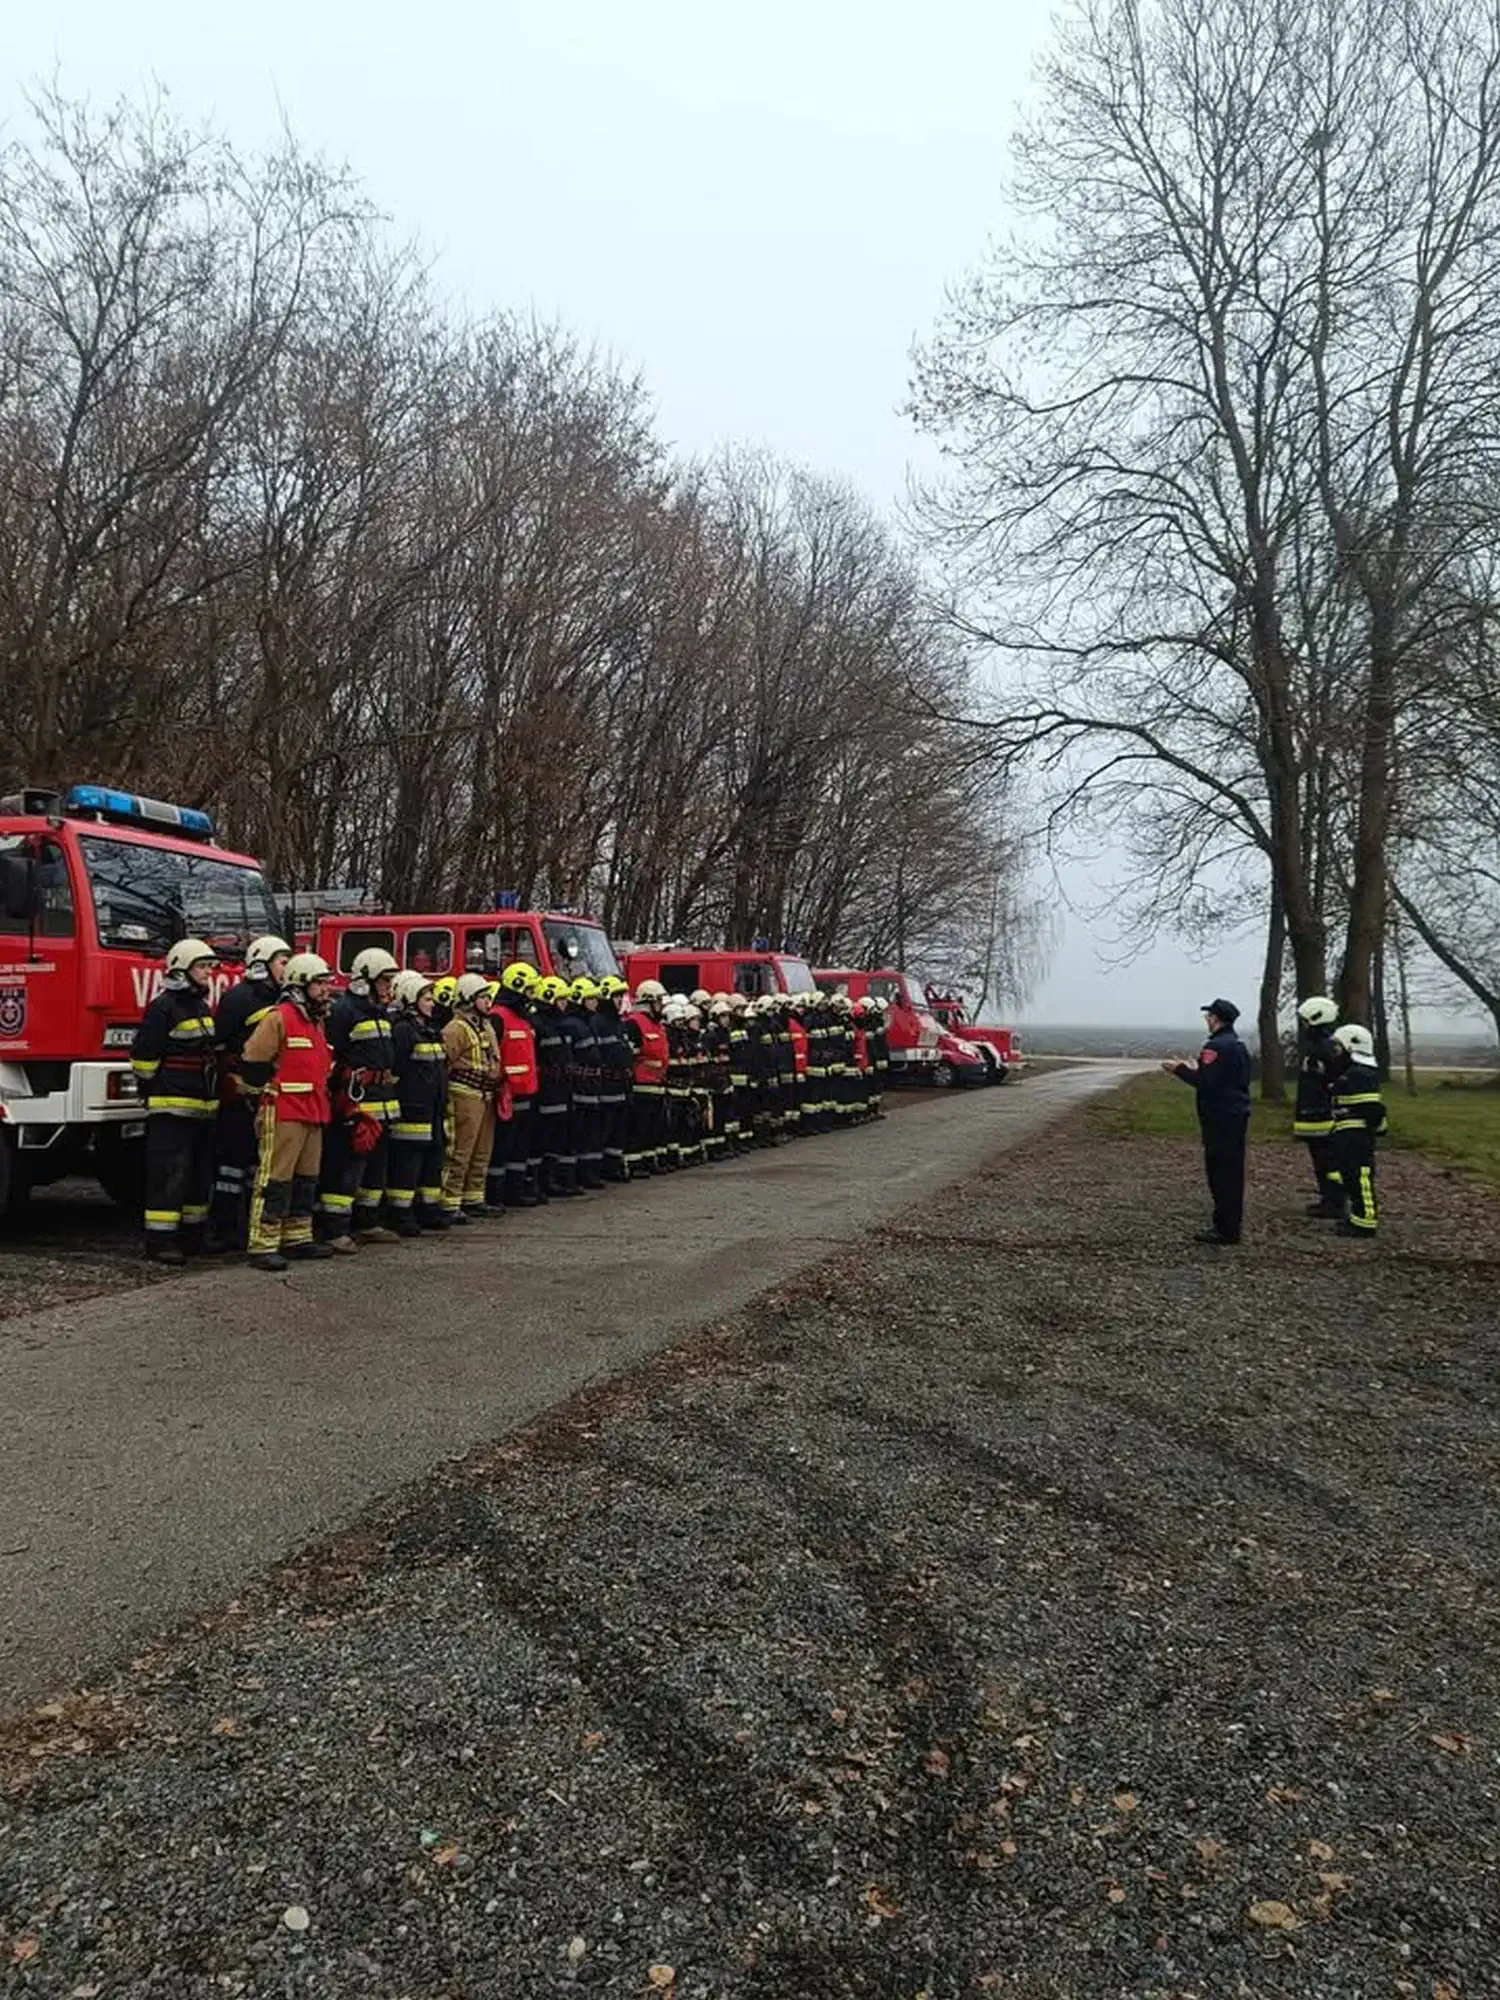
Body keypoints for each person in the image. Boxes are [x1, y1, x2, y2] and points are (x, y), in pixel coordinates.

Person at [238, 951, 337, 1270]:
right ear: (300, 984)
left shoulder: (317, 1021)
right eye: (319, 983)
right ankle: (263, 1242)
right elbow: (253, 1060)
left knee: (307, 1177)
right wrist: (260, 1098)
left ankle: (297, 1237)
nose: (326, 989)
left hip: (312, 1110)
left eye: (326, 983)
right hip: (283, 1109)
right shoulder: (279, 1017)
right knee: (275, 1177)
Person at [130, 938, 220, 1264]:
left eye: (209, 967)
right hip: (171, 1106)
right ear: (182, 969)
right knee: (169, 1174)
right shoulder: (163, 1007)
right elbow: (143, 1058)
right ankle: (160, 1241)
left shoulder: (200, 1006)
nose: (208, 973)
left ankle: (193, 1237)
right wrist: (158, 1088)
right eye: (202, 967)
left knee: (199, 1174)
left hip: (201, 1105)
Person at [210, 933, 292, 1250]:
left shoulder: (282, 1000)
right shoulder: (238, 999)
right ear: (262, 965)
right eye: (283, 962)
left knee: (261, 1166)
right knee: (232, 1166)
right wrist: (232, 1081)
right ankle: (225, 1229)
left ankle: (251, 1225)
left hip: (270, 1094)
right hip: (239, 1097)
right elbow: (220, 1047)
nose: (287, 968)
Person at [319, 946, 402, 1250]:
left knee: (375, 1169)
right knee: (347, 1166)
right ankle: (335, 1227)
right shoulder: (343, 1012)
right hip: (357, 1102)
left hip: (382, 1102)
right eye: (384, 981)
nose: (388, 988)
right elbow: (331, 1058)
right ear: (365, 980)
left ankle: (367, 1222)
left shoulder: (379, 1013)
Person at [1162, 997, 1252, 1245]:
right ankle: (1229, 1224)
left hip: (1220, 1117)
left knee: (1221, 1173)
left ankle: (1225, 1228)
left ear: (1216, 1019)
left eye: (1209, 1016)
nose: (1206, 1020)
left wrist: (1179, 1069)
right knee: (1232, 1172)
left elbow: (1206, 1082)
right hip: (1235, 1114)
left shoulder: (1215, 1047)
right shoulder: (1237, 1045)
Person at [386, 970, 450, 1235]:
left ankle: (429, 1208)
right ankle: (401, 1214)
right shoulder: (403, 1030)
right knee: (408, 1164)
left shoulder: (429, 1031)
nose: (432, 1003)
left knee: (432, 1159)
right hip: (412, 1109)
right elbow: (396, 1070)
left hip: (433, 1109)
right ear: (411, 1000)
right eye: (426, 998)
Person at [440, 972, 502, 1221]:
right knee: (459, 1150)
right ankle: (449, 1201)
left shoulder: (486, 1026)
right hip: (464, 1095)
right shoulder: (456, 1029)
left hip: (485, 1094)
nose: (489, 1002)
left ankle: (474, 1197)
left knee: (482, 1150)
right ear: (468, 998)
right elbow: (445, 1063)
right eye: (483, 997)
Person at [1328, 1023, 1386, 1240]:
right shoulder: (1353, 1073)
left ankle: (1365, 1222)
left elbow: (1373, 1110)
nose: (1336, 1053)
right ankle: (1356, 1217)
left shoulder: (1361, 1074)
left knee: (1360, 1177)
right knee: (1350, 1176)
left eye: (1338, 1048)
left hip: (1357, 1135)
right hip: (1347, 1133)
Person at [492, 962, 541, 1207]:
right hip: (506, 1095)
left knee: (520, 1147)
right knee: (502, 1147)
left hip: (526, 1093)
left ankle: (515, 1189)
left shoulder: (524, 1018)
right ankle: (495, 1193)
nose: (533, 996)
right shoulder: (498, 1017)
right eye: (530, 990)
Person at [1293, 995, 1343, 1218]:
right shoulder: (1320, 1047)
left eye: (1305, 1021)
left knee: (1329, 1162)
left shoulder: (1327, 1049)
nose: (1303, 1026)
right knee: (1322, 1161)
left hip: (1324, 1115)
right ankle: (1329, 1199)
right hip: (1315, 1114)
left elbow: (1333, 1081)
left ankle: (1335, 1202)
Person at [624, 978, 669, 1176]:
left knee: (654, 1128)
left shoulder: (657, 1025)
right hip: (641, 1085)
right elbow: (631, 1054)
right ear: (648, 1001)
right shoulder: (634, 1023)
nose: (662, 1005)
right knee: (639, 1128)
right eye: (659, 1001)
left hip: (657, 1084)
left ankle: (650, 1160)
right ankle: (634, 1164)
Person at [594, 975, 634, 1181]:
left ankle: (613, 1167)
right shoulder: (599, 1022)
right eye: (617, 996)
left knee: (619, 1131)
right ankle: (601, 1169)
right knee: (603, 1130)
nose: (620, 1000)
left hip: (621, 1086)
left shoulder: (618, 1023)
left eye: (622, 996)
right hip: (607, 1087)